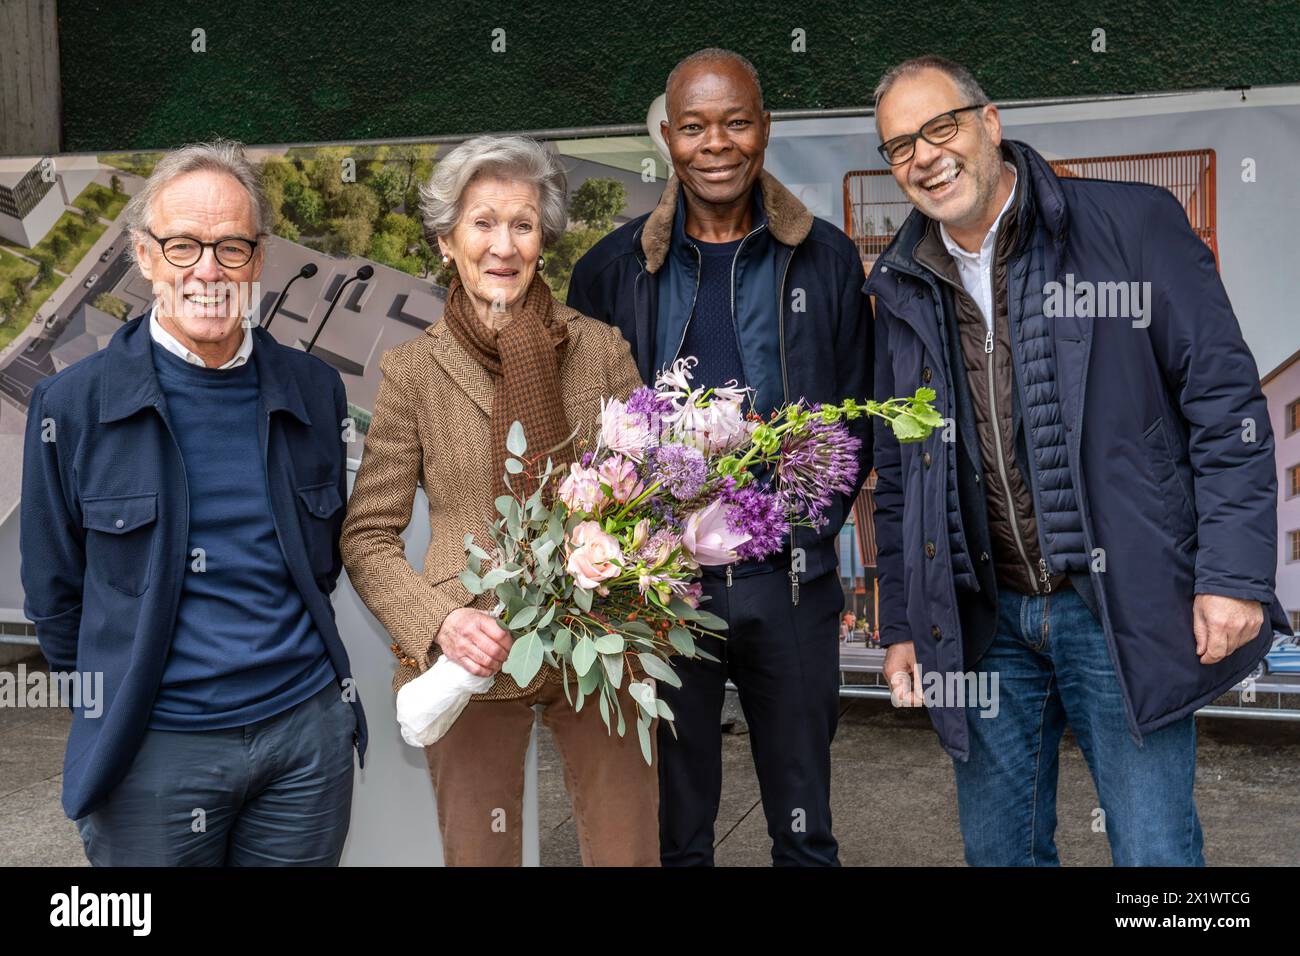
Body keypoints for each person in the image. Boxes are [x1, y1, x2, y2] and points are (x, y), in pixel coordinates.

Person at [867, 56, 1287, 866]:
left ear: (990, 124)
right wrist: (904, 626)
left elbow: (1225, 408)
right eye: (898, 146)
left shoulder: (1132, 226)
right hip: (982, 620)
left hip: (1118, 608)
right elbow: (899, 470)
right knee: (1000, 854)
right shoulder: (900, 283)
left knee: (1154, 851)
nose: (923, 155)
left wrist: (1233, 576)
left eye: (940, 126)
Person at [20, 140, 365, 865]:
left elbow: (320, 562)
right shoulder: (72, 406)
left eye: (230, 248)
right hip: (151, 756)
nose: (207, 270)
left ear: (258, 257)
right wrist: (115, 707)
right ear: (145, 257)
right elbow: (56, 602)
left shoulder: (312, 390)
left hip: (303, 747)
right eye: (182, 246)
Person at [569, 49, 872, 867]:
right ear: (667, 137)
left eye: (736, 123)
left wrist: (808, 528)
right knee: (675, 831)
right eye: (696, 127)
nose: (717, 144)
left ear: (764, 130)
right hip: (664, 596)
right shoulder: (610, 268)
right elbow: (582, 423)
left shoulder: (827, 260)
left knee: (806, 830)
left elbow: (855, 422)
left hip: (791, 585)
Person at [340, 135, 657, 867]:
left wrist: (624, 561)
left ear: (543, 237)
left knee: (628, 852)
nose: (502, 245)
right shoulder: (413, 371)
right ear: (447, 241)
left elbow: (651, 499)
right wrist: (439, 621)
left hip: (598, 645)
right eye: (482, 223)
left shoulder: (601, 349)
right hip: (471, 653)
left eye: (522, 223)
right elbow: (368, 536)